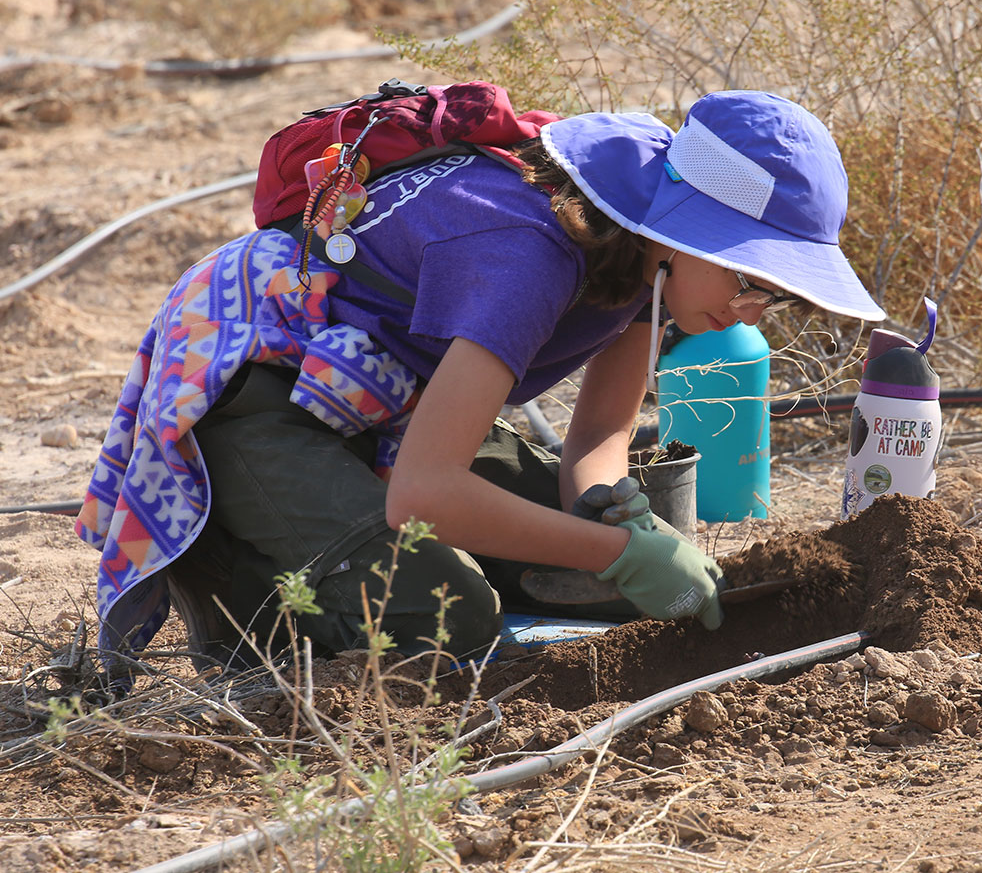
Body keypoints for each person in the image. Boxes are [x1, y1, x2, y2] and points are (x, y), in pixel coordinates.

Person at [75, 89, 886, 681]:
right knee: (449, 617)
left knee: (604, 591)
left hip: (388, 397)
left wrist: (608, 509)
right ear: (685, 232)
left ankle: (325, 533)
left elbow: (598, 440)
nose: (755, 307)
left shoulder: (648, 261)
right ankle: (240, 585)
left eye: (773, 290)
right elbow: (425, 493)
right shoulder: (525, 255)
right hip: (259, 391)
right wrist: (619, 550)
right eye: (750, 276)